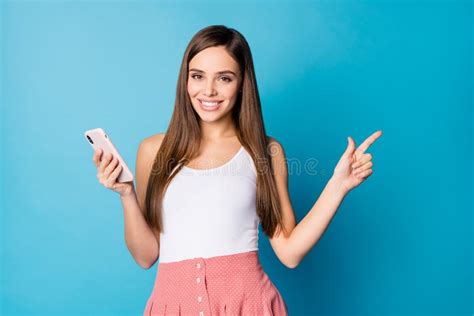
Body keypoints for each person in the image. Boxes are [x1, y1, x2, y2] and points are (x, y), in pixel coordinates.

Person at [91, 24, 382, 316]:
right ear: (185, 80)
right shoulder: (153, 151)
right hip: (171, 307)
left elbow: (290, 252)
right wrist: (126, 193)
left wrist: (338, 186)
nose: (209, 90)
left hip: (249, 306)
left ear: (242, 82)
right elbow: (146, 256)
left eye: (224, 78)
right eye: (198, 76)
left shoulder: (265, 152)